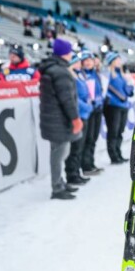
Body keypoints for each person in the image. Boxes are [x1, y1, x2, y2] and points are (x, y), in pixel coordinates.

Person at [38, 38, 84, 200]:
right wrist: (75, 118)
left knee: (59, 153)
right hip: (58, 120)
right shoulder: (60, 72)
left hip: (54, 119)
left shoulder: (54, 69)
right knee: (59, 155)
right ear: (65, 53)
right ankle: (57, 188)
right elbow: (67, 99)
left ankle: (60, 182)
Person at [64, 52, 93, 186]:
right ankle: (72, 174)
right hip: (79, 115)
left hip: (84, 114)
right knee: (75, 147)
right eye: (76, 61)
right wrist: (87, 107)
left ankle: (77, 172)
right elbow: (74, 99)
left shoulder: (78, 75)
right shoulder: (71, 77)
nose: (79, 63)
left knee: (79, 146)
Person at [104, 51, 133, 164]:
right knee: (113, 131)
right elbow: (107, 89)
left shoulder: (121, 74)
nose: (119, 62)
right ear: (111, 62)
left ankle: (118, 153)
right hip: (113, 107)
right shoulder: (108, 74)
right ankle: (113, 156)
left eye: (119, 60)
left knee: (120, 131)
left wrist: (129, 86)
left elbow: (127, 90)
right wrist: (119, 96)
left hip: (123, 106)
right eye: (116, 60)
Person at [80, 51, 106, 175]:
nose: (88, 62)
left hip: (97, 110)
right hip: (88, 111)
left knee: (94, 138)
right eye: (85, 60)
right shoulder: (82, 75)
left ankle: (90, 163)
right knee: (88, 138)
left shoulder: (96, 74)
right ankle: (85, 165)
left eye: (90, 60)